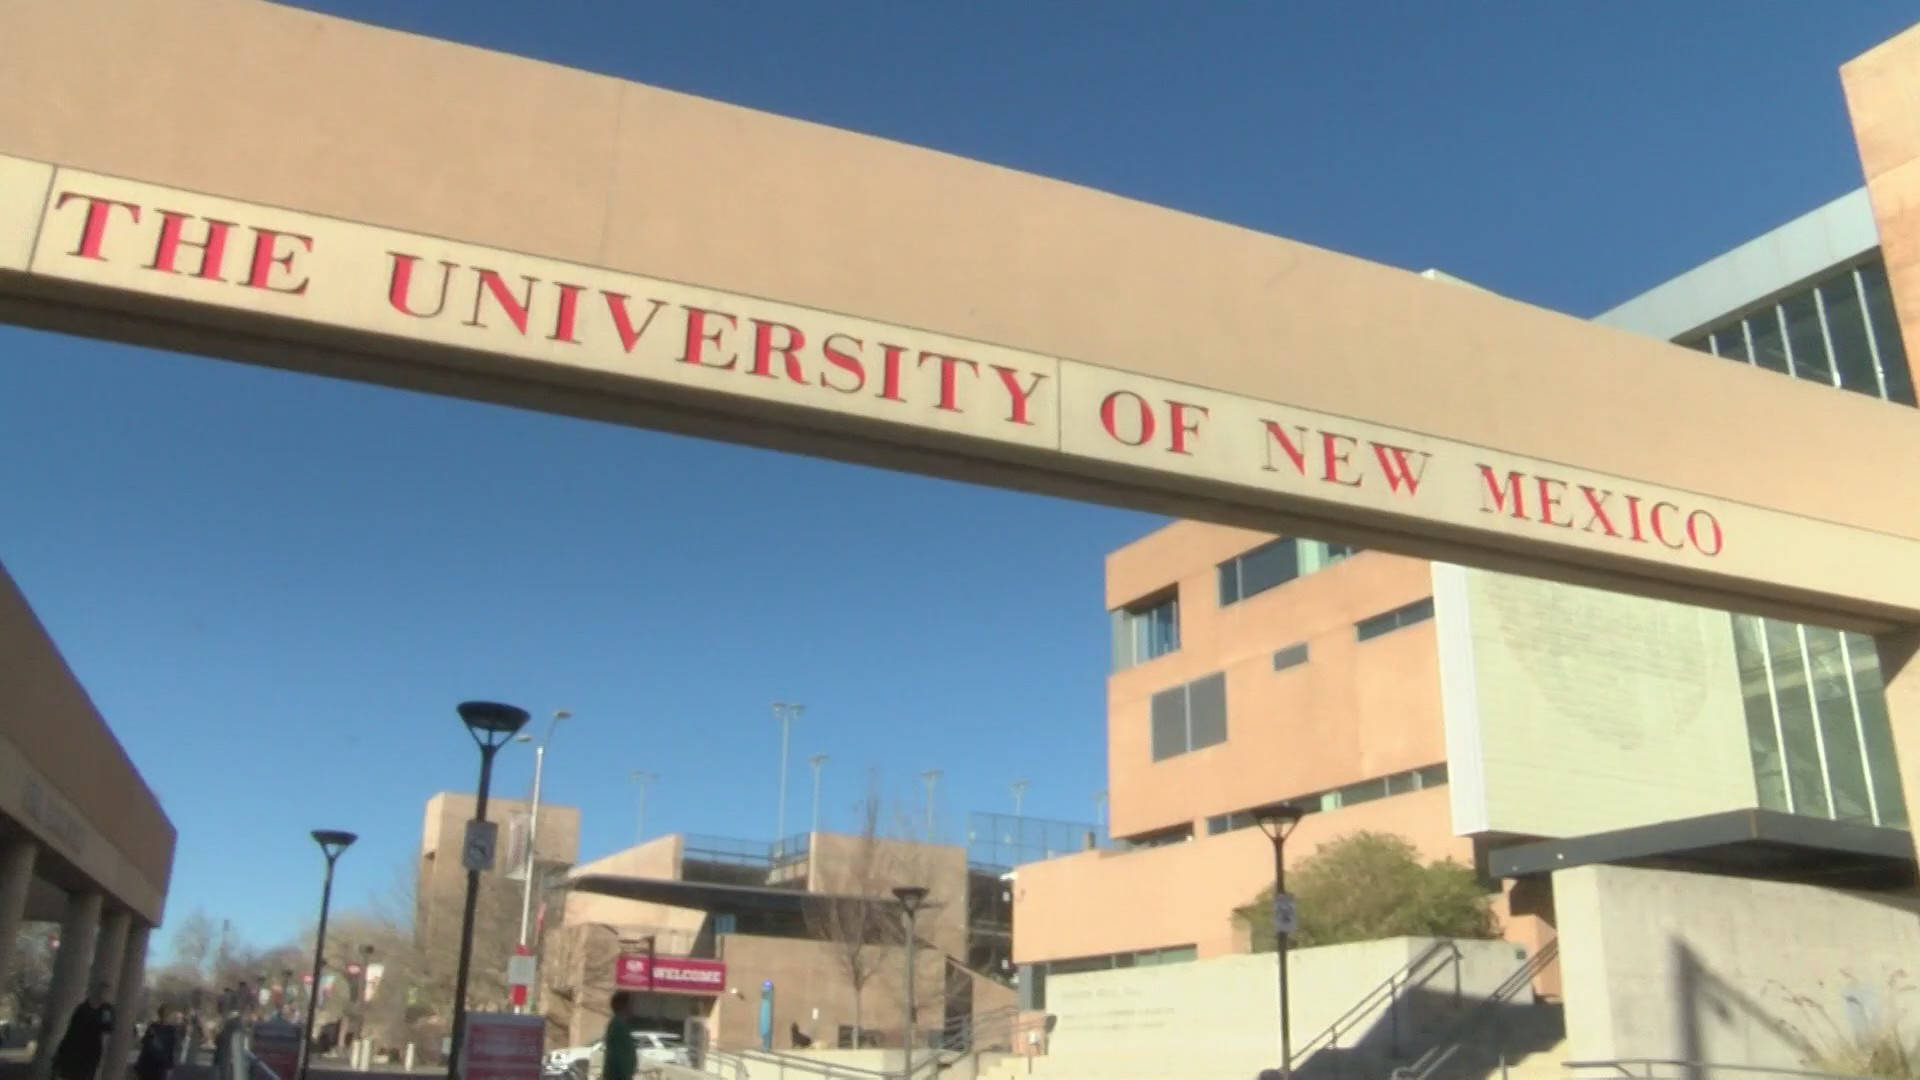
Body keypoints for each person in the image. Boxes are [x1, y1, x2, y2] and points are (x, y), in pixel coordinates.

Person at [52, 983, 115, 1080]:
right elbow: (71, 1032)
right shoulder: (82, 1009)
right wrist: (60, 1052)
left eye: (107, 993)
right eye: (102, 992)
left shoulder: (106, 1010)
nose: (104, 995)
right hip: (74, 1052)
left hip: (90, 1056)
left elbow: (108, 1028)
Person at [600, 992, 638, 1080]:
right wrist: (626, 1075)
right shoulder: (618, 1025)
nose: (632, 1008)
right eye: (630, 1004)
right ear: (623, 1006)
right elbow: (621, 1054)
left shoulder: (618, 1023)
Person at [135, 1008, 181, 1080]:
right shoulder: (169, 1030)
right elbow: (171, 1050)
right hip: (154, 1064)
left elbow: (145, 1045)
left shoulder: (155, 1027)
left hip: (152, 1064)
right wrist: (170, 1066)